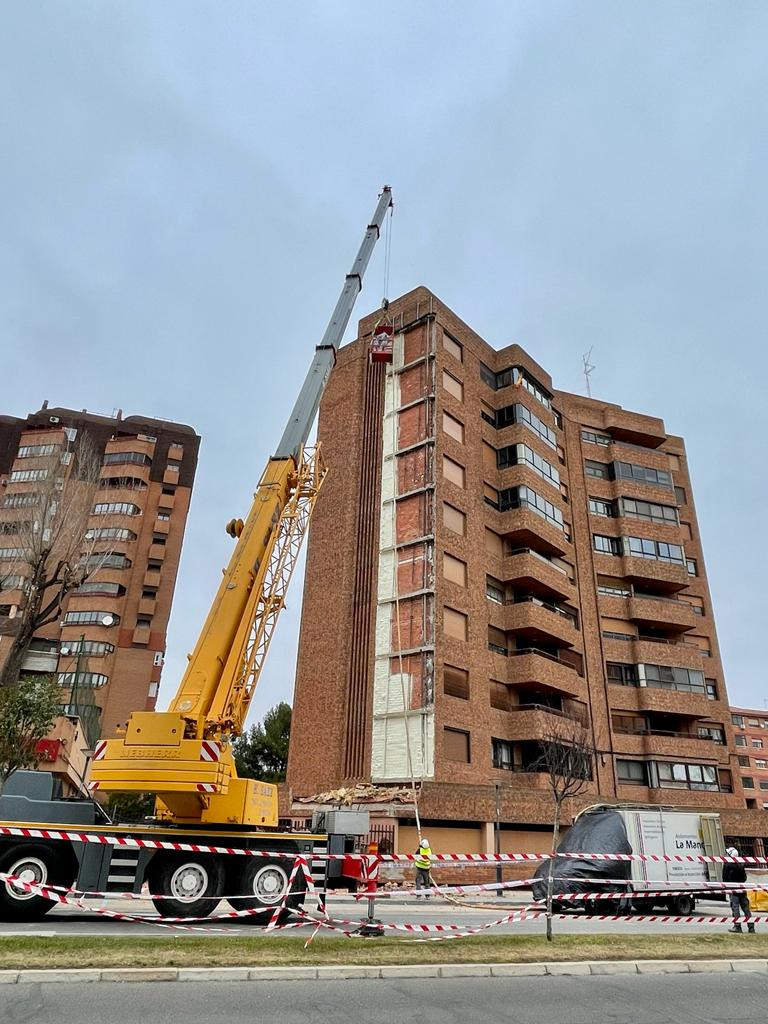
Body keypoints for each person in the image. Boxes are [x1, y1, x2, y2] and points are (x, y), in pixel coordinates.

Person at [723, 846, 755, 933]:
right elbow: (744, 878)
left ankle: (737, 926)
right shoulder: (740, 865)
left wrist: (726, 887)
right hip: (742, 889)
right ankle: (751, 927)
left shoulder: (727, 864)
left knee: (735, 908)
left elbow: (724, 877)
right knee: (746, 908)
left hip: (733, 890)